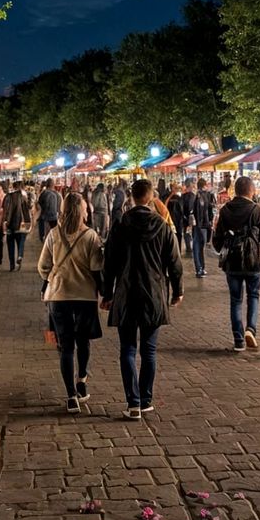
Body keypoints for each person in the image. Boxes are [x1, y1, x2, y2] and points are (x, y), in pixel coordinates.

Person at [100, 178, 184, 419]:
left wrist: (107, 293)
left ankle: (133, 402)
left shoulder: (120, 225)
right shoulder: (162, 226)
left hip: (126, 293)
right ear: (151, 197)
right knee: (149, 350)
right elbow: (174, 263)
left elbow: (110, 263)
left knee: (127, 349)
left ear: (132, 197)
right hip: (154, 293)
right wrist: (178, 290)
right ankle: (146, 399)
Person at [39, 193, 105, 413]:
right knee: (83, 342)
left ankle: (70, 396)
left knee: (66, 347)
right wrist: (104, 291)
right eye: (85, 208)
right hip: (85, 296)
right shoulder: (90, 236)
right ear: (82, 211)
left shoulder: (54, 234)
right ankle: (81, 381)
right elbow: (97, 268)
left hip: (59, 297)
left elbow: (43, 266)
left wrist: (51, 279)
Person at [213, 175, 260, 351]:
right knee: (253, 296)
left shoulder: (225, 210)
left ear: (235, 191)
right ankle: (250, 330)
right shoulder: (257, 210)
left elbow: (217, 239)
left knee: (235, 300)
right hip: (253, 261)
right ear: (251, 191)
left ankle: (238, 339)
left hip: (232, 261)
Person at [169, 181, 199, 276]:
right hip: (186, 219)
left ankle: (187, 247)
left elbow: (180, 208)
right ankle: (188, 247)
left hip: (181, 219)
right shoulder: (191, 196)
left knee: (184, 233)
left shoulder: (181, 197)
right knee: (187, 233)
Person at [3, 180, 33, 270]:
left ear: (13, 187)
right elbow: (30, 206)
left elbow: (4, 210)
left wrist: (4, 223)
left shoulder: (8, 196)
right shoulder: (26, 195)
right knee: (21, 242)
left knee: (10, 244)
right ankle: (19, 256)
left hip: (10, 224)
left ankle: (12, 265)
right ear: (22, 187)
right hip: (23, 223)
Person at [193, 178, 218, 273]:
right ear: (204, 185)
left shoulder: (201, 195)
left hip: (201, 225)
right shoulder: (202, 196)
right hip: (202, 225)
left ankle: (200, 268)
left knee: (199, 247)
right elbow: (204, 211)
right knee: (199, 247)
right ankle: (200, 268)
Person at [37, 178, 62, 244]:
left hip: (44, 218)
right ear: (53, 185)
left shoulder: (43, 193)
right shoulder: (57, 194)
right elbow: (59, 209)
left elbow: (38, 206)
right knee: (54, 237)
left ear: (47, 184)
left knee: (45, 236)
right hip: (54, 218)